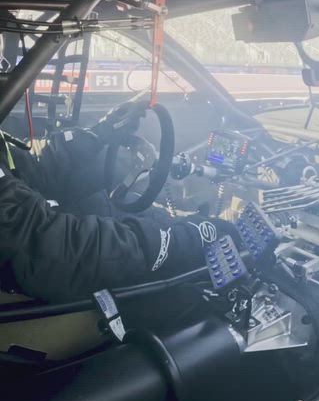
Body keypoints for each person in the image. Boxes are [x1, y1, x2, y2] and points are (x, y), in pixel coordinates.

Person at [0, 100, 240, 303]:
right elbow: (51, 250)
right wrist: (183, 240)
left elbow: (31, 170)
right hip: (34, 287)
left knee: (116, 206)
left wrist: (98, 134)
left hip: (46, 244)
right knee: (179, 292)